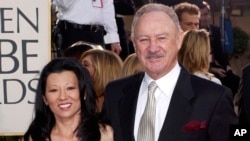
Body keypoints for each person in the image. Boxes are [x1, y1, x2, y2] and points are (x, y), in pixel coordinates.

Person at [102, 3, 238, 141]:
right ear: (134, 44)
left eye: (161, 38)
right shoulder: (115, 92)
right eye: (144, 40)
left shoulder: (214, 97)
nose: (153, 48)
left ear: (179, 40)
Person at [24, 58, 113, 141]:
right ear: (45, 98)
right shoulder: (35, 137)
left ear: (84, 93)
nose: (63, 97)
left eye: (70, 88)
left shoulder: (106, 135)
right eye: (54, 90)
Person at [52, 0, 121, 56]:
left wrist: (113, 39)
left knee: (97, 69)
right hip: (72, 32)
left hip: (97, 34)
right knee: (72, 68)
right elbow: (64, 4)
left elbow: (108, 8)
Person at [199, 1, 240, 96]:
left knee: (234, 80)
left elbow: (219, 52)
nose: (203, 18)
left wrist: (227, 66)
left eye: (205, 14)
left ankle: (226, 105)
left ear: (209, 15)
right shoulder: (194, 33)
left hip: (212, 64)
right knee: (216, 81)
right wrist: (213, 69)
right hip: (200, 67)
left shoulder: (215, 30)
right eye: (200, 15)